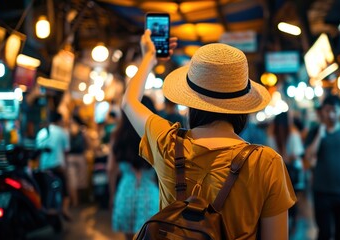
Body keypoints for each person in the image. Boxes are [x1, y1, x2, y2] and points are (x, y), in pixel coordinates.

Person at [122, 30, 296, 239]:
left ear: (191, 104)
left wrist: (149, 57)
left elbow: (129, 102)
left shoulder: (167, 142)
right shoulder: (266, 163)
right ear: (242, 108)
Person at [304, 94, 340, 240]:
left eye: (334, 110)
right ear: (322, 111)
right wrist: (320, 136)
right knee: (324, 232)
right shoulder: (315, 131)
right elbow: (309, 155)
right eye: (327, 110)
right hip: (321, 191)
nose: (331, 114)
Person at [107, 98, 159, 240]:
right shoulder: (154, 137)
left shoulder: (117, 136)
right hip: (150, 193)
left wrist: (112, 195)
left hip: (126, 191)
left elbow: (111, 169)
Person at [272, 111, 305, 235]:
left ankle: (284, 225)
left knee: (282, 201)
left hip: (279, 173)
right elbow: (297, 156)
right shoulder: (294, 134)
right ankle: (294, 225)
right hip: (294, 173)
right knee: (295, 200)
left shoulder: (272, 135)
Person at [35, 112, 71, 220]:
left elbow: (37, 153)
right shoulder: (62, 132)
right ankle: (64, 209)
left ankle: (46, 208)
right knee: (65, 188)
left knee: (44, 189)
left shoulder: (40, 133)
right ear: (59, 120)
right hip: (57, 166)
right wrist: (66, 167)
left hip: (43, 168)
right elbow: (66, 152)